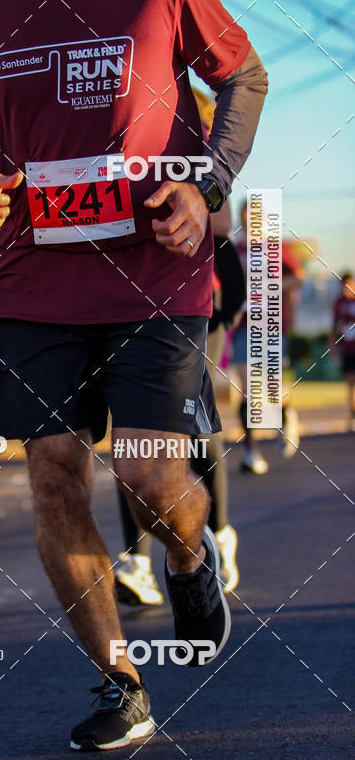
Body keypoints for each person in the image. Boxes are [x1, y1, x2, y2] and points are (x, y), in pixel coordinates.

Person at [0, 0, 268, 750]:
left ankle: (190, 557)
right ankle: (122, 683)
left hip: (159, 267)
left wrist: (206, 182)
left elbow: (244, 76)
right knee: (54, 472)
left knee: (149, 473)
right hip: (34, 279)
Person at [115, 202, 244, 602]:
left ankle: (219, 535)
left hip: (196, 303)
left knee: (195, 428)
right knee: (132, 435)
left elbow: (222, 222)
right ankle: (138, 564)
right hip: (130, 304)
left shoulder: (197, 147)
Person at [232, 201, 302, 473]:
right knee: (247, 390)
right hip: (242, 326)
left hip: (271, 324)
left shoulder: (278, 247)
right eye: (245, 217)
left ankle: (284, 416)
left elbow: (298, 277)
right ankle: (251, 452)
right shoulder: (236, 250)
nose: (249, 222)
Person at [330, 272, 355, 431]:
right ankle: (352, 417)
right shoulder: (338, 302)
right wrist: (333, 348)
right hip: (348, 349)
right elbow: (333, 328)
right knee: (351, 384)